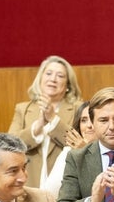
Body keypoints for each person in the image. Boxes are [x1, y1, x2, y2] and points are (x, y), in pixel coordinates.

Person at [8, 55, 83, 189]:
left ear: (68, 85)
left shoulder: (78, 108)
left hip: (64, 186)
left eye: (60, 76)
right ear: (40, 79)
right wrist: (37, 127)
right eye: (48, 73)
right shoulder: (23, 109)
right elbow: (9, 145)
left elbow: (79, 144)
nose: (53, 79)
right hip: (28, 185)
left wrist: (53, 119)